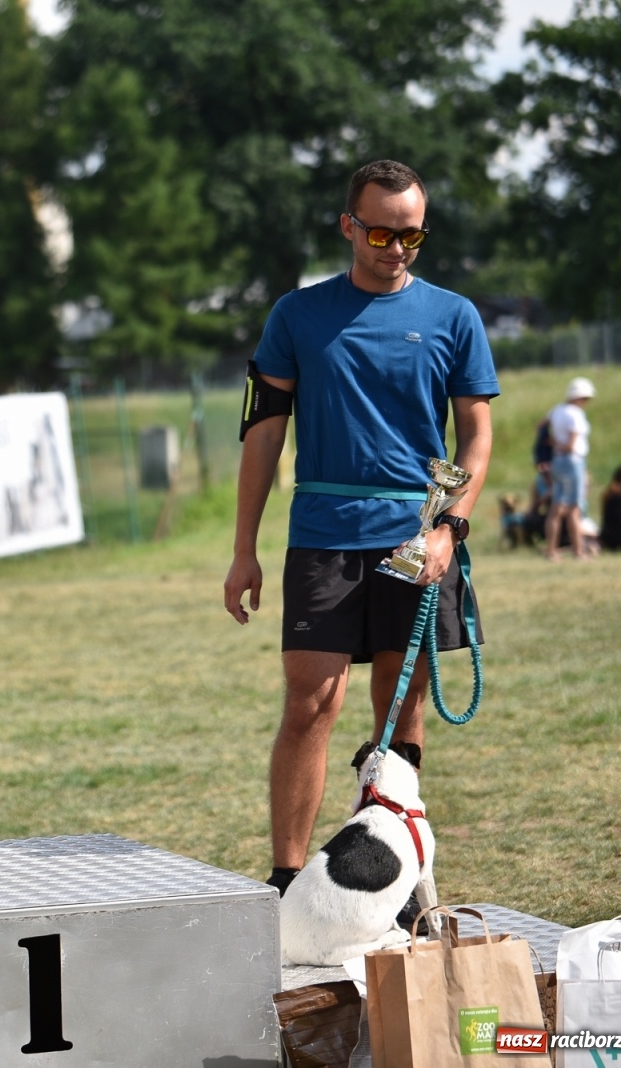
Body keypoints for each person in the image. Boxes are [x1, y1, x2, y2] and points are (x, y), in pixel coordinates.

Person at [223, 160, 497, 903]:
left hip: (416, 533)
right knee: (312, 702)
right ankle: (283, 881)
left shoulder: (453, 317)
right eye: (380, 231)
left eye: (412, 234)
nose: (395, 247)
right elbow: (262, 434)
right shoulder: (296, 315)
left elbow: (475, 436)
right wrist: (244, 548)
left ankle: (393, 878)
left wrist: (451, 528)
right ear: (348, 226)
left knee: (399, 708)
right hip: (322, 531)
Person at [545, 377, 596, 561]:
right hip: (572, 461)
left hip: (557, 461)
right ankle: (578, 550)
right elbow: (573, 442)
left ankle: (551, 550)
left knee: (556, 507)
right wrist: (564, 445)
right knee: (575, 507)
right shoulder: (575, 414)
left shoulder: (556, 410)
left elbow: (542, 428)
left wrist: (554, 444)